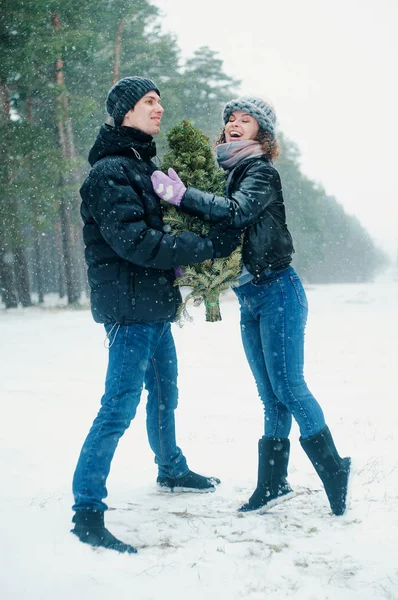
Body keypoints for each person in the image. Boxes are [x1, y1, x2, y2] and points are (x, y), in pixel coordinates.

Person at [151, 96, 351, 517]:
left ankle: (334, 467)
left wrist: (184, 196)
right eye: (230, 120)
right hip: (251, 296)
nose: (235, 125)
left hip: (279, 291)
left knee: (289, 388)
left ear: (262, 133)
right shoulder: (231, 173)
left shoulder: (260, 172)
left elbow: (237, 214)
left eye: (246, 120)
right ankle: (274, 483)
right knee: (270, 396)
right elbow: (222, 228)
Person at [71, 76, 241, 554]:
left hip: (151, 301)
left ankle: (170, 467)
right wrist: (204, 247)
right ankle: (87, 509)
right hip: (129, 306)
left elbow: (157, 228)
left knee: (166, 389)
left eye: (160, 102)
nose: (158, 109)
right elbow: (134, 242)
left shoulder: (140, 165)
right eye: (148, 102)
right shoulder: (110, 171)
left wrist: (191, 239)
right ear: (124, 111)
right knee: (118, 405)